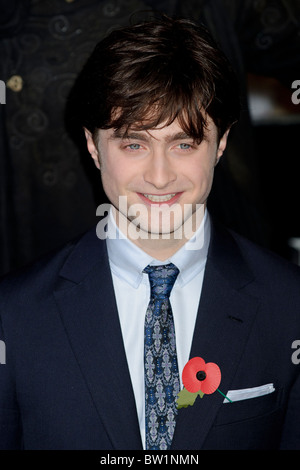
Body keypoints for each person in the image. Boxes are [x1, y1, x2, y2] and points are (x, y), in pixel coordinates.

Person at [0, 15, 300, 451]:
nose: (160, 177)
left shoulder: (290, 306)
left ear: (219, 145)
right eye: (134, 144)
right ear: (92, 146)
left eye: (184, 143)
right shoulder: (14, 316)